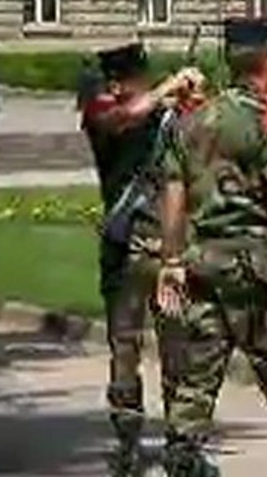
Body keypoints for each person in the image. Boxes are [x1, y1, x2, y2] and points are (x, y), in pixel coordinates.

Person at [156, 16, 267, 477]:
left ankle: (182, 460)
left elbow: (172, 196)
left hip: (204, 265)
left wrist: (171, 260)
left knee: (196, 381)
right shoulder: (264, 123)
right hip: (257, 270)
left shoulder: (190, 123)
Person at [81, 43, 205, 474]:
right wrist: (167, 88)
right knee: (125, 347)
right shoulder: (102, 112)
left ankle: (180, 444)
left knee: (178, 350)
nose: (126, 88)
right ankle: (127, 441)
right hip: (125, 246)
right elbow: (124, 118)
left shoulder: (161, 115)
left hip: (166, 245)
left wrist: (189, 100)